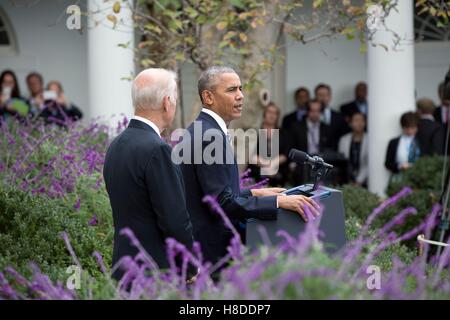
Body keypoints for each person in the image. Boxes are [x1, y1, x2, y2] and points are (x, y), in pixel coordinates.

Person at [179, 66, 319, 273]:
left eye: (240, 89)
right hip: (213, 253)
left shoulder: (205, 129)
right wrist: (279, 201)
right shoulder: (210, 136)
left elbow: (215, 194)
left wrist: (255, 192)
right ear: (208, 97)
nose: (240, 96)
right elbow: (222, 203)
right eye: (231, 90)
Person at [103, 68, 195, 281]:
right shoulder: (157, 150)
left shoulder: (116, 145)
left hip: (123, 267)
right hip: (155, 271)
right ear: (166, 102)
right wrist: (190, 265)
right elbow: (174, 220)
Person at [287, 99, 333, 185]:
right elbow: (291, 147)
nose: (315, 114)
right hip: (302, 165)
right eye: (312, 111)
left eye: (318, 111)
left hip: (320, 163)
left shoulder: (327, 128)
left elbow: (330, 148)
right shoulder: (296, 127)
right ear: (307, 111)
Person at [248, 102, 289, 186]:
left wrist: (273, 164)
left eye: (275, 113)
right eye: (269, 112)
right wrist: (267, 165)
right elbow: (250, 154)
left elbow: (285, 153)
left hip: (278, 174)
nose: (272, 115)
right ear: (264, 114)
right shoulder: (255, 132)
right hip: (257, 174)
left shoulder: (283, 133)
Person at [385, 112, 421, 177]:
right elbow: (388, 163)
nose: (410, 131)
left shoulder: (422, 141)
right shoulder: (394, 142)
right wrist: (400, 166)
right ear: (403, 127)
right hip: (399, 178)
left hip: (419, 178)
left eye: (413, 128)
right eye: (407, 128)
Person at [314, 83, 349, 150]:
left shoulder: (339, 117)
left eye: (326, 95)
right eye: (320, 95)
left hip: (335, 155)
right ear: (316, 97)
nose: (323, 98)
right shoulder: (309, 116)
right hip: (315, 154)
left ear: (330, 96)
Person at [338, 112, 368, 187]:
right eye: (356, 120)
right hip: (347, 180)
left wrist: (359, 181)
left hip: (365, 181)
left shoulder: (369, 139)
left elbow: (368, 164)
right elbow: (342, 161)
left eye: (362, 120)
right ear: (351, 123)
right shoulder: (344, 140)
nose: (359, 123)